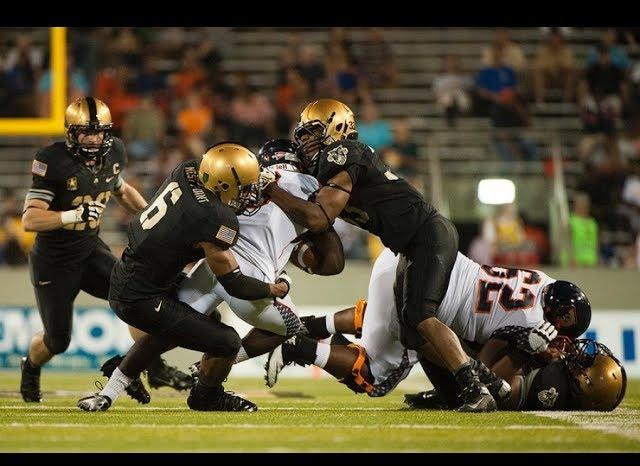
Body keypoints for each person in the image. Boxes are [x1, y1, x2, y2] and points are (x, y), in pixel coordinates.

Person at [260, 99, 500, 411]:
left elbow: (319, 218)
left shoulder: (343, 152)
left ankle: (476, 391)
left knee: (421, 318)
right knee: (412, 332)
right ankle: (485, 381)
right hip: (409, 245)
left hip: (427, 234)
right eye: (302, 135)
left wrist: (272, 190)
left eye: (313, 132)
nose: (305, 141)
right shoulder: (326, 165)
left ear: (338, 128)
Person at [77, 142, 290, 412]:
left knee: (191, 321)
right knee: (227, 341)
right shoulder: (215, 217)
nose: (248, 194)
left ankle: (111, 388)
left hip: (132, 275)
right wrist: (275, 287)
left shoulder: (188, 169)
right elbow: (235, 284)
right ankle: (208, 397)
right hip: (141, 296)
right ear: (223, 185)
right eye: (244, 187)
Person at [20, 97, 192, 403]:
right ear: (71, 132)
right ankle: (30, 368)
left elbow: (121, 189)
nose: (92, 138)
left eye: (98, 132)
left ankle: (147, 368)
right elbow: (29, 218)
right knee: (57, 341)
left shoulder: (114, 153)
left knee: (136, 302)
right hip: (54, 261)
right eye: (85, 132)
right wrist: (71, 216)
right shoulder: (53, 160)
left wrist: (153, 218)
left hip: (89, 249)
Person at [266, 248, 591, 406]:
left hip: (412, 262)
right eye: (562, 336)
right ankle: (302, 347)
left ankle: (312, 325)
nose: (561, 345)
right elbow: (483, 372)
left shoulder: (545, 282)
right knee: (375, 379)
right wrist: (523, 353)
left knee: (391, 322)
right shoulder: (532, 321)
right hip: (425, 292)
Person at [176, 139, 344, 366]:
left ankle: (121, 376)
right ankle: (216, 367)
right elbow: (333, 263)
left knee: (169, 326)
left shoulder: (242, 175)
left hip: (214, 262)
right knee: (291, 327)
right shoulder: (309, 184)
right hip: (252, 279)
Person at [405, 338, 626, 412]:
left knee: (423, 338)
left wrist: (525, 350)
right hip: (477, 373)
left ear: (586, 385)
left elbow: (497, 387)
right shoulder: (564, 378)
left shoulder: (553, 388)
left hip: (469, 386)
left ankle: (442, 394)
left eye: (586, 364)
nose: (580, 357)